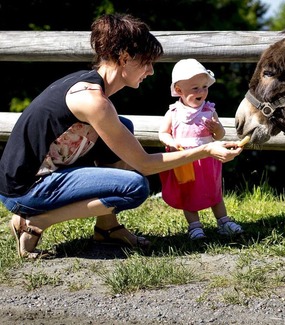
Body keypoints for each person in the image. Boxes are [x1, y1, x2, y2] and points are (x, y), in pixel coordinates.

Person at [0, 14, 242, 259]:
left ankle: (107, 228)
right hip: (25, 190)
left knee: (123, 126)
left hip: (35, 176)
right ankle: (36, 221)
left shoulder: (86, 84)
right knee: (135, 187)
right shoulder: (94, 101)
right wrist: (207, 150)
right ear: (125, 58)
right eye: (147, 62)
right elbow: (145, 165)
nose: (150, 71)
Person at [158, 59, 244, 240]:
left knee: (214, 189)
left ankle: (223, 221)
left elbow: (219, 135)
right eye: (195, 88)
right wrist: (171, 142)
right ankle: (194, 226)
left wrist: (216, 129)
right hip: (185, 159)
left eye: (205, 87)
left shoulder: (209, 110)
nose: (202, 92)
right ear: (179, 91)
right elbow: (163, 133)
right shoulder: (173, 112)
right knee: (188, 191)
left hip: (208, 160)